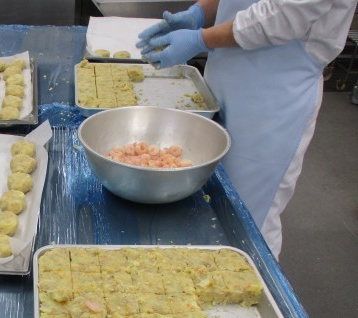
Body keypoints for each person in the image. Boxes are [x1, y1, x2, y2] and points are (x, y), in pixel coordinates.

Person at [136, 0, 358, 258]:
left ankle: (252, 276)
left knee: (247, 216)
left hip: (272, 96)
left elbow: (281, 16)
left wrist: (201, 38)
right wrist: (201, 12)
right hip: (224, 73)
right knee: (208, 197)